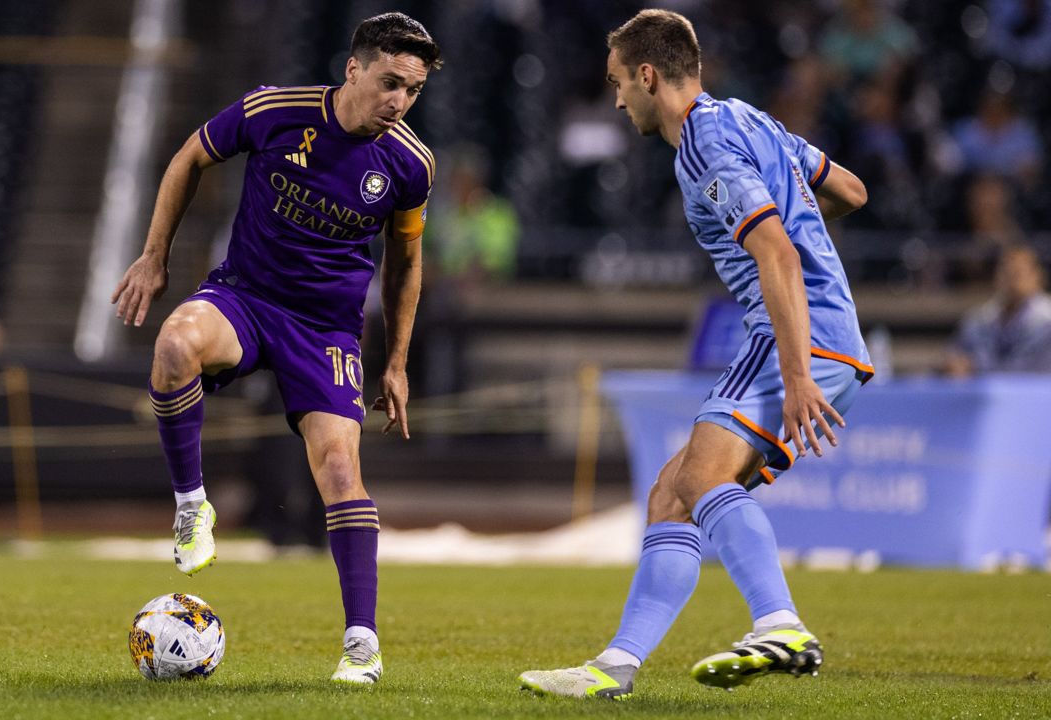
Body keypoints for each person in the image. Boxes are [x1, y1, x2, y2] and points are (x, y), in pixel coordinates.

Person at [520, 9, 872, 700]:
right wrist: (795, 223)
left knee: (704, 475)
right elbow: (852, 191)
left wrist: (798, 372)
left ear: (648, 76)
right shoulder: (750, 119)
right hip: (824, 332)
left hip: (798, 337)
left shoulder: (703, 147)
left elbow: (774, 251)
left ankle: (780, 624)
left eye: (619, 82)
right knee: (670, 494)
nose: (617, 99)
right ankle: (614, 667)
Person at [110, 12, 441, 685]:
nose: (399, 101)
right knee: (175, 343)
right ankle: (189, 508)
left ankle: (362, 647)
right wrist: (153, 256)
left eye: (412, 90)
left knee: (341, 473)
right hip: (245, 300)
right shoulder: (275, 111)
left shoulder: (410, 164)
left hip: (325, 331)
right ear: (353, 68)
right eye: (389, 83)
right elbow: (189, 156)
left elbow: (407, 261)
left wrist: (397, 362)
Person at [944, 245, 1051, 376]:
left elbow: (1033, 371)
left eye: (1017, 273)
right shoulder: (979, 319)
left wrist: (976, 367)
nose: (1011, 280)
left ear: (1037, 276)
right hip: (982, 394)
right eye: (1005, 272)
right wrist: (955, 364)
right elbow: (956, 352)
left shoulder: (1047, 321)